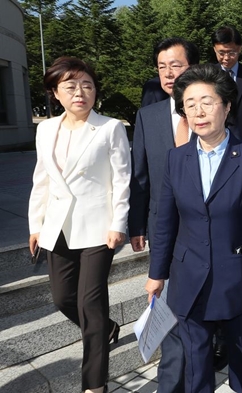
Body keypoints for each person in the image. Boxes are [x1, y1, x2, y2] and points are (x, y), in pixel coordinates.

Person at [145, 63, 242, 393]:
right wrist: (156, 273)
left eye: (207, 101)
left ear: (227, 106)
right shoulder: (177, 160)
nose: (198, 111)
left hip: (237, 279)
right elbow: (165, 222)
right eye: (190, 104)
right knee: (195, 365)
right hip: (189, 281)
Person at [28, 56, 131, 393]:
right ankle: (108, 328)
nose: (80, 93)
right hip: (57, 228)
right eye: (70, 86)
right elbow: (41, 180)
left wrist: (118, 223)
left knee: (90, 304)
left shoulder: (110, 127)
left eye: (87, 85)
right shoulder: (45, 130)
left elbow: (122, 179)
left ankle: (94, 385)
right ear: (55, 93)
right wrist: (36, 224)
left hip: (98, 228)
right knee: (62, 299)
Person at [128, 37, 200, 393]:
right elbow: (139, 176)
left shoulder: (210, 110)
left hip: (205, 232)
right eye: (162, 67)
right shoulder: (148, 116)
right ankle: (171, 384)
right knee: (168, 309)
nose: (169, 73)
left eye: (177, 65)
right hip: (163, 230)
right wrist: (136, 224)